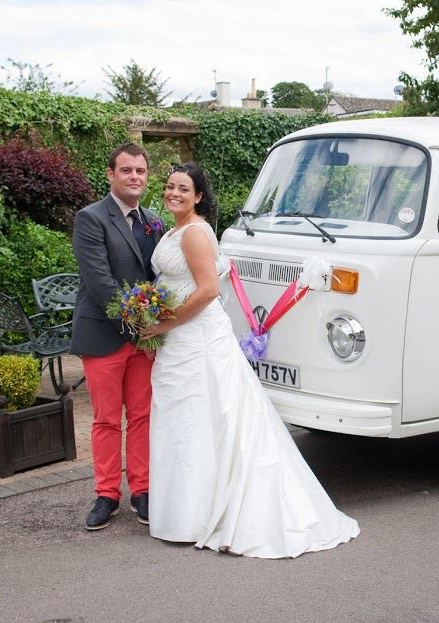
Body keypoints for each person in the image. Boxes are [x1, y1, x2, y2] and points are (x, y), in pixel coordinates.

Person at [141, 163, 359, 558]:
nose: (174, 193)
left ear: (198, 196)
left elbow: (207, 290)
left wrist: (162, 324)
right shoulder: (174, 229)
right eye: (170, 186)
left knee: (202, 419)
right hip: (180, 339)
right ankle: (185, 512)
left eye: (183, 189)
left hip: (196, 338)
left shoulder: (194, 233)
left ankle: (199, 513)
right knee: (190, 422)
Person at [71, 143, 163, 530]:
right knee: (107, 420)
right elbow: (100, 282)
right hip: (104, 334)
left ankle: (141, 491)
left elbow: (159, 277)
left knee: (142, 417)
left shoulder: (154, 221)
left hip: (144, 340)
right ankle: (107, 494)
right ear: (110, 175)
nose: (134, 177)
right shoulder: (90, 218)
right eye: (126, 170)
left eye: (140, 171)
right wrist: (139, 325)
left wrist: (157, 326)